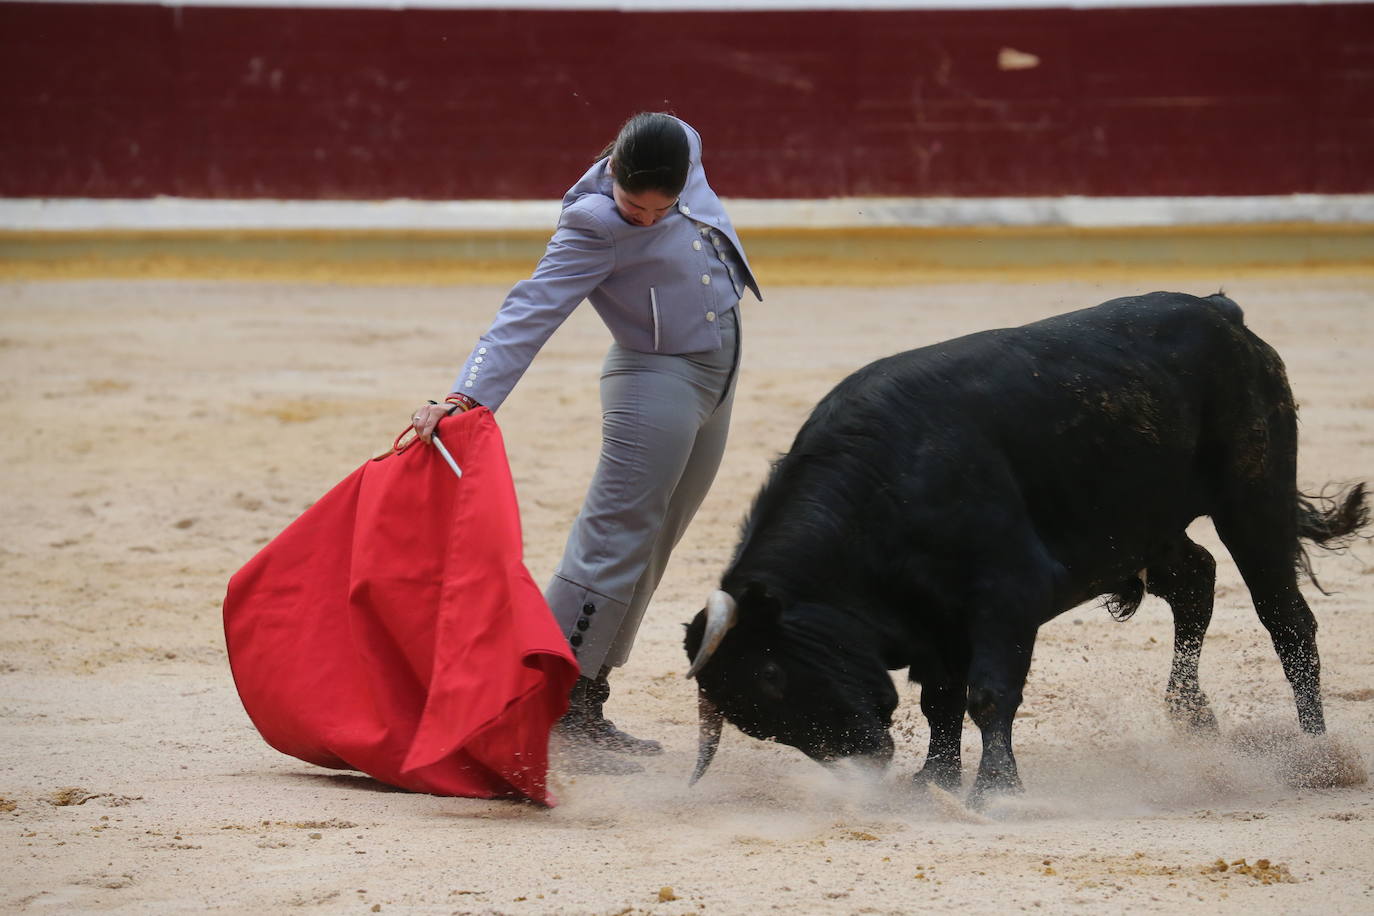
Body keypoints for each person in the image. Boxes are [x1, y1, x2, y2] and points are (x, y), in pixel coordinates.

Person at [410, 112, 761, 771]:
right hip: (656, 381)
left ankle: (587, 694)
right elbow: (530, 308)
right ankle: (551, 702)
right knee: (612, 538)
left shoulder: (683, 144)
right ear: (614, 178)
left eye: (665, 207)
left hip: (719, 376)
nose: (649, 220)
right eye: (635, 205)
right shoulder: (592, 222)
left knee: (652, 540)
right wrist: (466, 395)